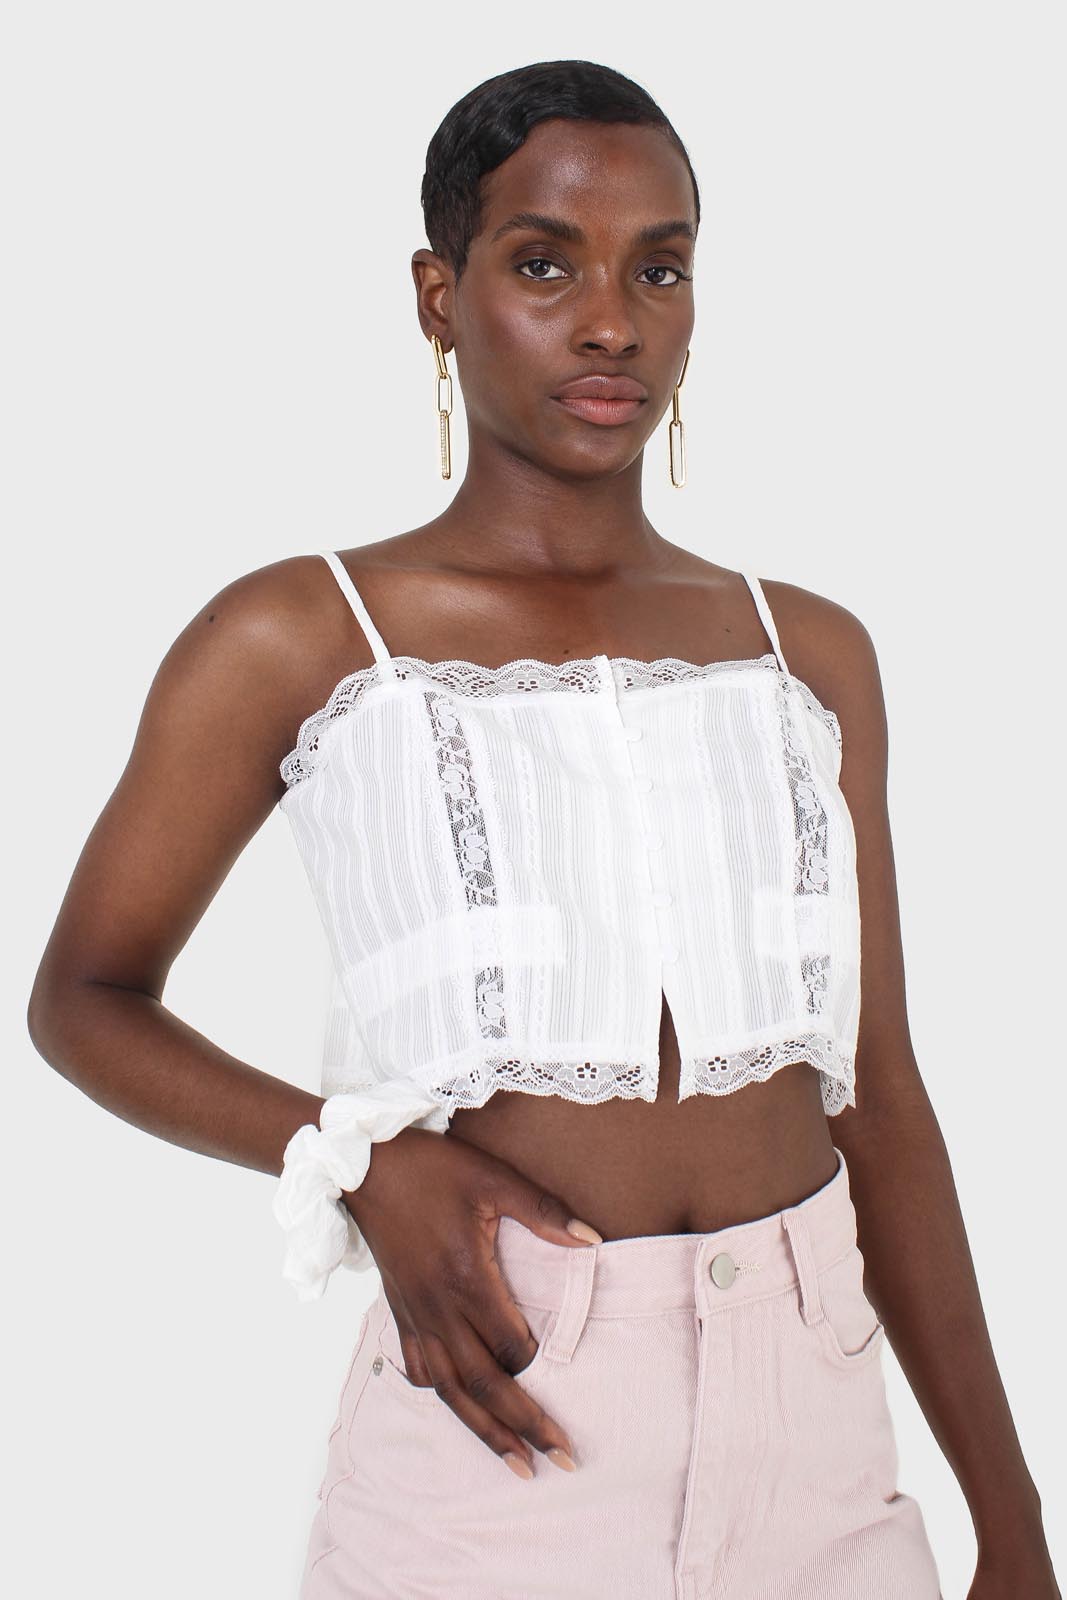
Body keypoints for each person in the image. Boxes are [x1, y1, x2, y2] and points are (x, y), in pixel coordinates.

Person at [27, 58, 1059, 1600]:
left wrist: (1012, 1517)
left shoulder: (807, 652)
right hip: (501, 1436)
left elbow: (883, 1097)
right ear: (438, 298)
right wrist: (357, 1160)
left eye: (660, 269)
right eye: (544, 263)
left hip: (823, 1435)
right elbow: (85, 998)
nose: (611, 322)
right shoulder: (305, 634)